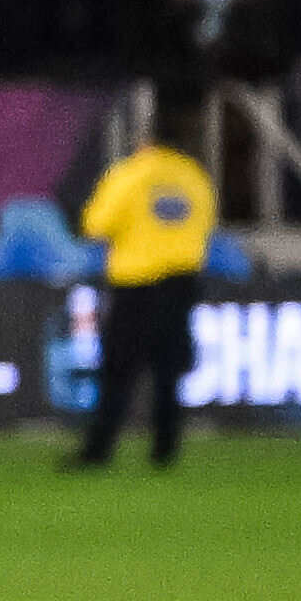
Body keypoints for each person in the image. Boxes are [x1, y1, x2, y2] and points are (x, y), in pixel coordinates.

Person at [77, 123, 219, 467]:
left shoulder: (130, 174)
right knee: (169, 369)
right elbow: (207, 224)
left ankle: (99, 450)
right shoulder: (194, 176)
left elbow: (96, 224)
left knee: (118, 370)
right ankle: (165, 449)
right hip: (182, 281)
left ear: (145, 142)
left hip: (136, 283)